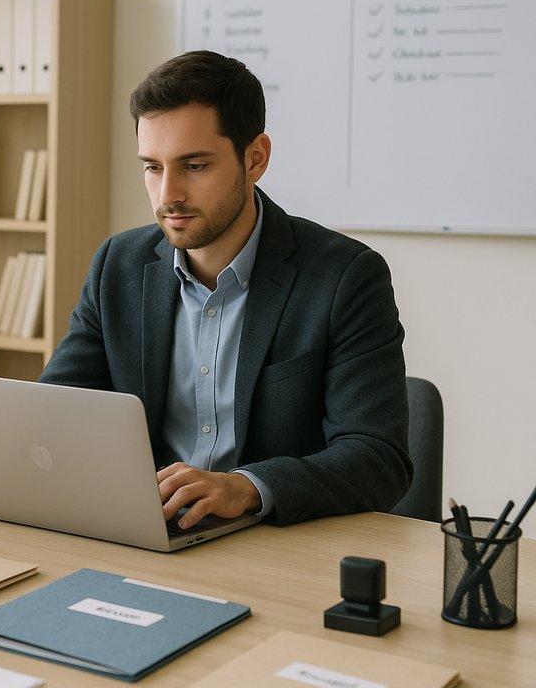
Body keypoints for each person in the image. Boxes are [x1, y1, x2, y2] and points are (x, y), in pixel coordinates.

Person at [40, 50, 411, 528]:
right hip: (148, 529)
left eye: (194, 166)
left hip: (274, 541)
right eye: (153, 167)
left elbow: (378, 458)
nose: (168, 195)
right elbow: (55, 414)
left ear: (255, 159)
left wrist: (245, 487)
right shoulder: (119, 265)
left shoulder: (345, 277)